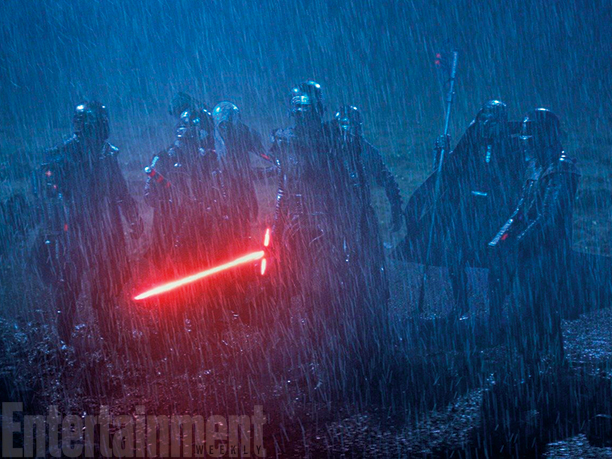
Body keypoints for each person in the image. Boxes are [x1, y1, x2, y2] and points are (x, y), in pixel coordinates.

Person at [37, 101, 143, 346]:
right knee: (70, 285)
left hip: (104, 227)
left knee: (107, 284)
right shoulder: (63, 155)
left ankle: (109, 335)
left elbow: (120, 190)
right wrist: (56, 228)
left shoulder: (106, 154)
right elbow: (49, 195)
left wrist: (133, 218)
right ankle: (63, 340)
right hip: (74, 229)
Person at [489, 108, 580, 364]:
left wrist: (520, 242)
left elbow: (550, 217)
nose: (524, 140)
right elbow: (522, 208)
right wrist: (502, 236)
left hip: (549, 250)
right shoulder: (537, 166)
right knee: (529, 306)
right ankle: (537, 361)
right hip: (531, 247)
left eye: (530, 133)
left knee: (538, 306)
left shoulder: (561, 169)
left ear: (544, 135)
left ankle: (542, 364)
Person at [144, 107, 226, 275]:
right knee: (170, 272)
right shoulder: (165, 158)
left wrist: (214, 207)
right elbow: (149, 195)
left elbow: (216, 189)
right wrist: (171, 204)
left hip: (199, 229)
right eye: (202, 133)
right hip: (172, 230)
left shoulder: (206, 159)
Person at [212, 102, 265, 249]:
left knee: (242, 227)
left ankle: (241, 249)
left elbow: (263, 155)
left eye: (228, 122)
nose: (225, 128)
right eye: (222, 123)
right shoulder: (211, 139)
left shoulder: (246, 135)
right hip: (219, 192)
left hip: (240, 189)